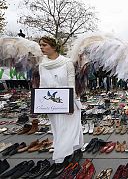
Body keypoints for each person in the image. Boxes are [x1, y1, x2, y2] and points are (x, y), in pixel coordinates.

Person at [38, 37, 83, 167]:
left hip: (67, 100)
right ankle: (72, 150)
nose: (41, 47)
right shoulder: (42, 65)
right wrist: (41, 105)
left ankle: (62, 155)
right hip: (51, 103)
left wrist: (70, 103)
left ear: (53, 46)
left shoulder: (67, 63)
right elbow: (42, 85)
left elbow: (71, 83)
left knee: (71, 128)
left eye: (44, 45)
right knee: (58, 129)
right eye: (40, 45)